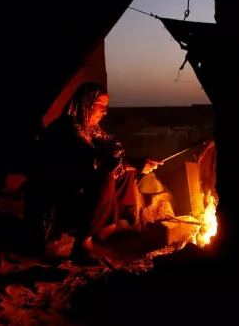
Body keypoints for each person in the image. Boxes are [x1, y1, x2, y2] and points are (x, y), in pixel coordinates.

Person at [23, 82, 161, 264]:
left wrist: (135, 162)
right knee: (105, 176)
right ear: (87, 103)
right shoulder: (68, 127)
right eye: (101, 106)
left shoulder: (90, 128)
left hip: (76, 188)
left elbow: (112, 148)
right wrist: (127, 162)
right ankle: (82, 246)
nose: (105, 112)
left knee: (127, 171)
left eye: (106, 107)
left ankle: (106, 224)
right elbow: (90, 160)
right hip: (56, 197)